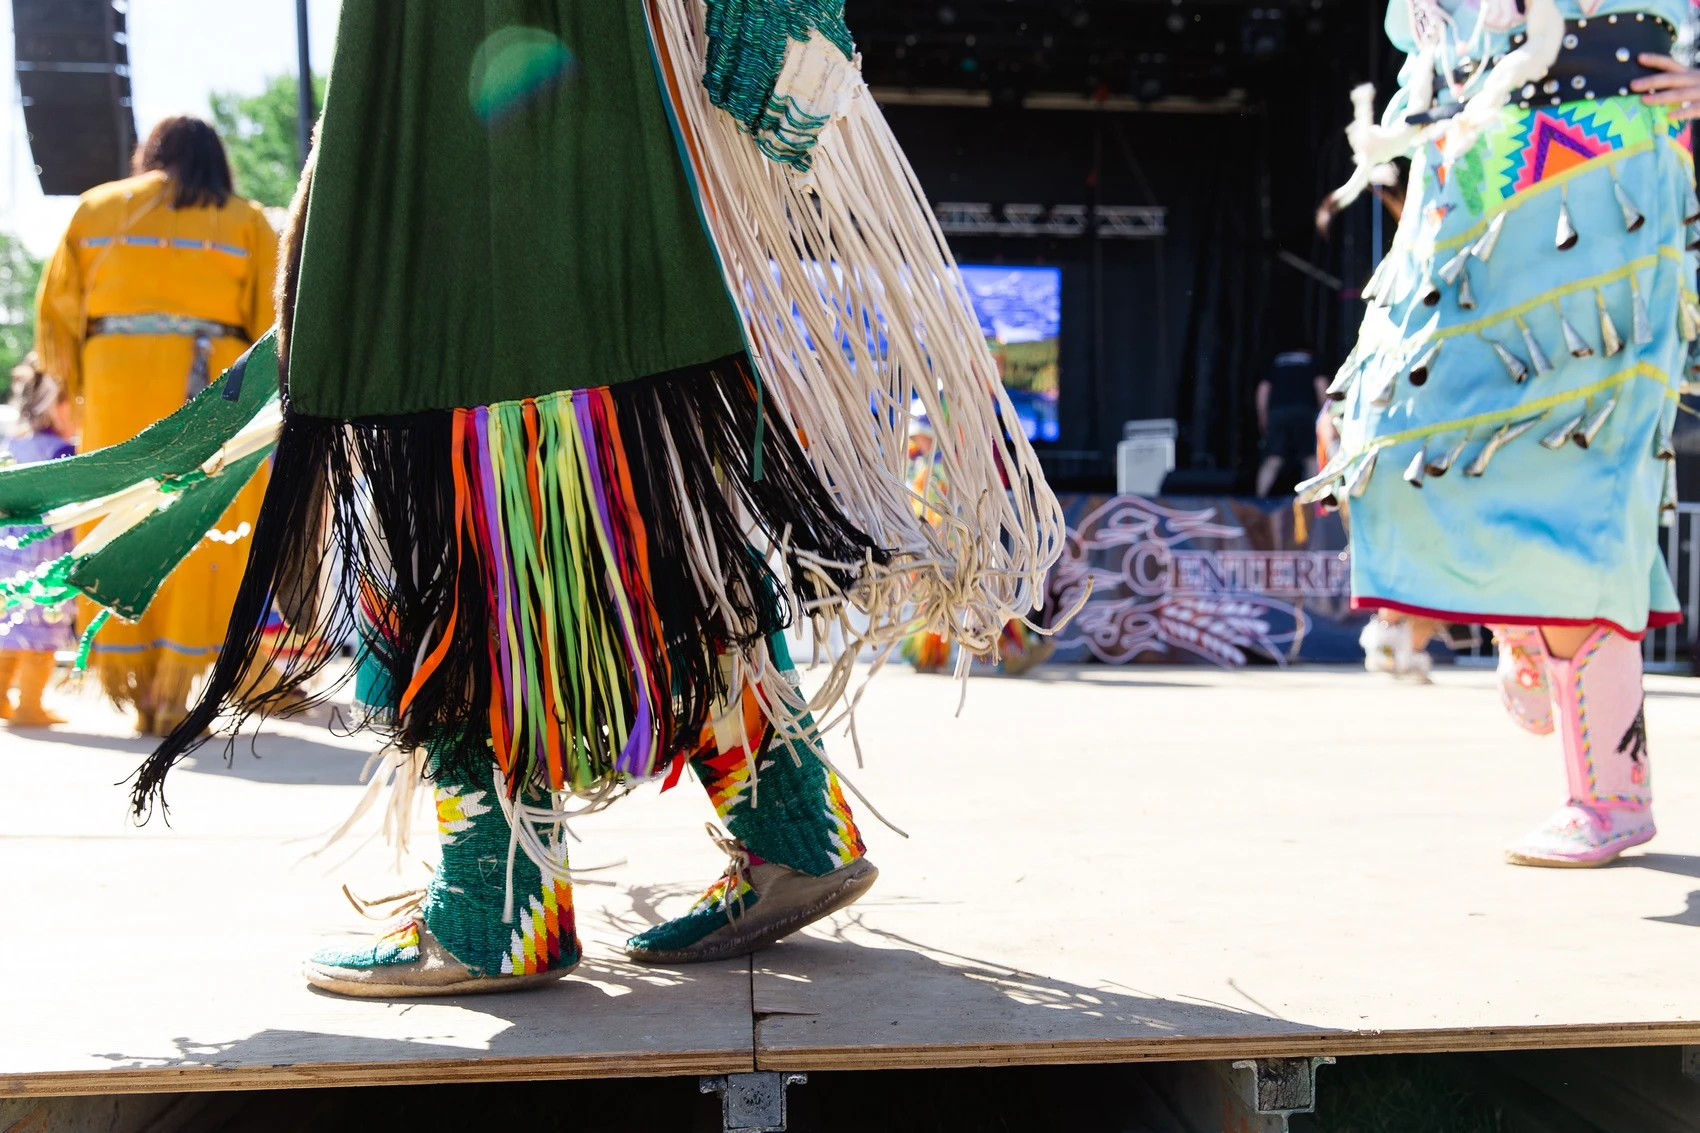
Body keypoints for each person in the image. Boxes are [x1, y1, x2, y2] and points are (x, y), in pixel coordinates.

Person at [0, 0, 1065, 996]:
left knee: (457, 499)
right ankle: (789, 821)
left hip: (473, 101)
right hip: (590, 121)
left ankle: (500, 899)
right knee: (642, 511)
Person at [1305, 0, 1696, 867]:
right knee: (1394, 433)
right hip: (1475, 165)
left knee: (1583, 456)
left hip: (1611, 159)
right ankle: (1521, 615)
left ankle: (1610, 794)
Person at [33, 117, 278, 738]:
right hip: (213, 394)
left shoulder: (97, 208)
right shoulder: (245, 221)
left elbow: (57, 312)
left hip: (115, 387)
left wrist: (71, 384)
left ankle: (139, 686)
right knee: (203, 525)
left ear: (151, 153)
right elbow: (271, 322)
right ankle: (177, 689)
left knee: (119, 519)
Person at [0, 355, 76, 726]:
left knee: (7, 628)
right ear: (56, 406)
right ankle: (30, 706)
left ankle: (2, 698)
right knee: (43, 632)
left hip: (6, 550)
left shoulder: (10, 442)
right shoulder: (62, 452)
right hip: (45, 553)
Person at [1256, 347, 1329, 497]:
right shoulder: (1312, 362)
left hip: (1278, 413)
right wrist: (1325, 414)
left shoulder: (1276, 363)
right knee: (1310, 458)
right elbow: (1321, 386)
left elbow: (1263, 389)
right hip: (1305, 412)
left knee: (1273, 458)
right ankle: (1314, 501)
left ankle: (1260, 500)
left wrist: (1263, 416)